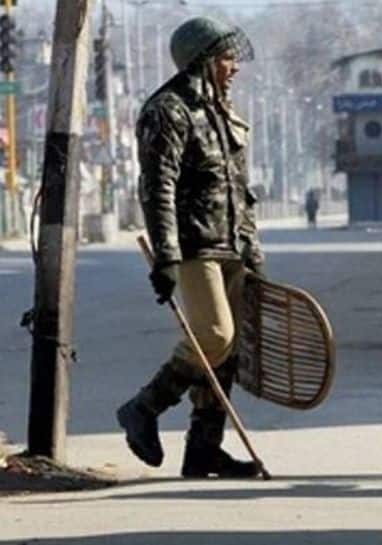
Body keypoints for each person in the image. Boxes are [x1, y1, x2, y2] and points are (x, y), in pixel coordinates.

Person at [116, 16, 265, 479]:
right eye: (226, 58)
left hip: (232, 245)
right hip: (195, 245)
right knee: (214, 335)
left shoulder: (221, 111)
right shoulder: (168, 110)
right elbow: (157, 187)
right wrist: (166, 256)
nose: (234, 67)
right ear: (202, 60)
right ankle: (144, 406)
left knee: (229, 351)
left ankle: (204, 449)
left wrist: (252, 250)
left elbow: (239, 188)